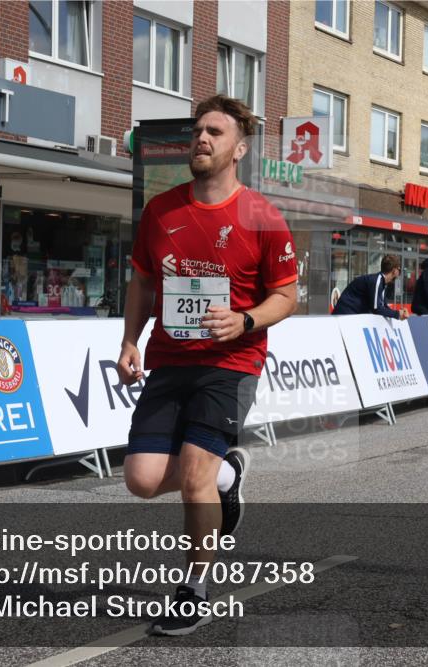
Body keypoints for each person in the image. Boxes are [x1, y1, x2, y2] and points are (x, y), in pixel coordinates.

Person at [115, 95, 298, 636]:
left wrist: (245, 320)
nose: (201, 139)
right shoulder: (161, 210)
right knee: (141, 479)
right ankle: (227, 474)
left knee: (193, 477)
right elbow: (143, 281)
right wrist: (129, 341)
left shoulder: (263, 217)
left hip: (231, 361)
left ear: (239, 149)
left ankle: (193, 590)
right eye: (198, 130)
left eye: (215, 132)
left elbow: (286, 296)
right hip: (170, 359)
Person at [332, 254, 409, 319]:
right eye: (399, 269)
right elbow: (376, 308)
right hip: (343, 315)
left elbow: (383, 306)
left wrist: (398, 313)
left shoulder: (381, 282)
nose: (400, 272)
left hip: (350, 315)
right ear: (394, 270)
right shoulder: (377, 281)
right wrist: (398, 314)